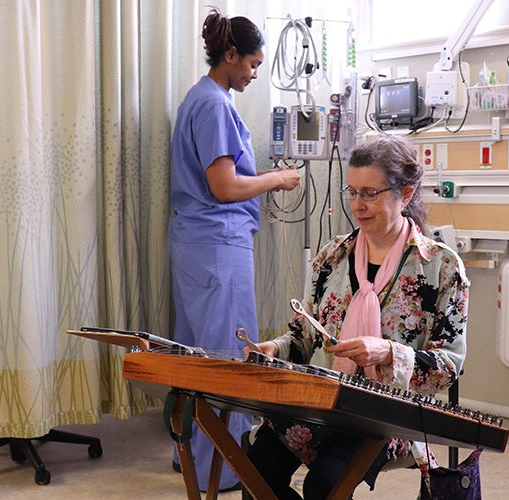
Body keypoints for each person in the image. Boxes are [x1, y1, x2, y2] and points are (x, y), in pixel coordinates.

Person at [242, 134, 470, 500]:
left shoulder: (441, 267)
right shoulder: (333, 256)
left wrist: (387, 353)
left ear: (405, 195)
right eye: (351, 192)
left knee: (325, 485)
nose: (357, 205)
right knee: (255, 466)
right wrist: (274, 348)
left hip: (389, 415)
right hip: (321, 401)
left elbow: (449, 365)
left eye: (370, 193)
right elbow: (304, 338)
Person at [169, 6, 301, 492]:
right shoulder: (214, 105)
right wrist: (278, 179)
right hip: (217, 246)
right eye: (252, 64)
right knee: (226, 360)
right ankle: (218, 470)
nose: (253, 73)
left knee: (197, 356)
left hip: (198, 246)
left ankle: (193, 457)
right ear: (230, 54)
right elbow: (224, 187)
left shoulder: (199, 100)